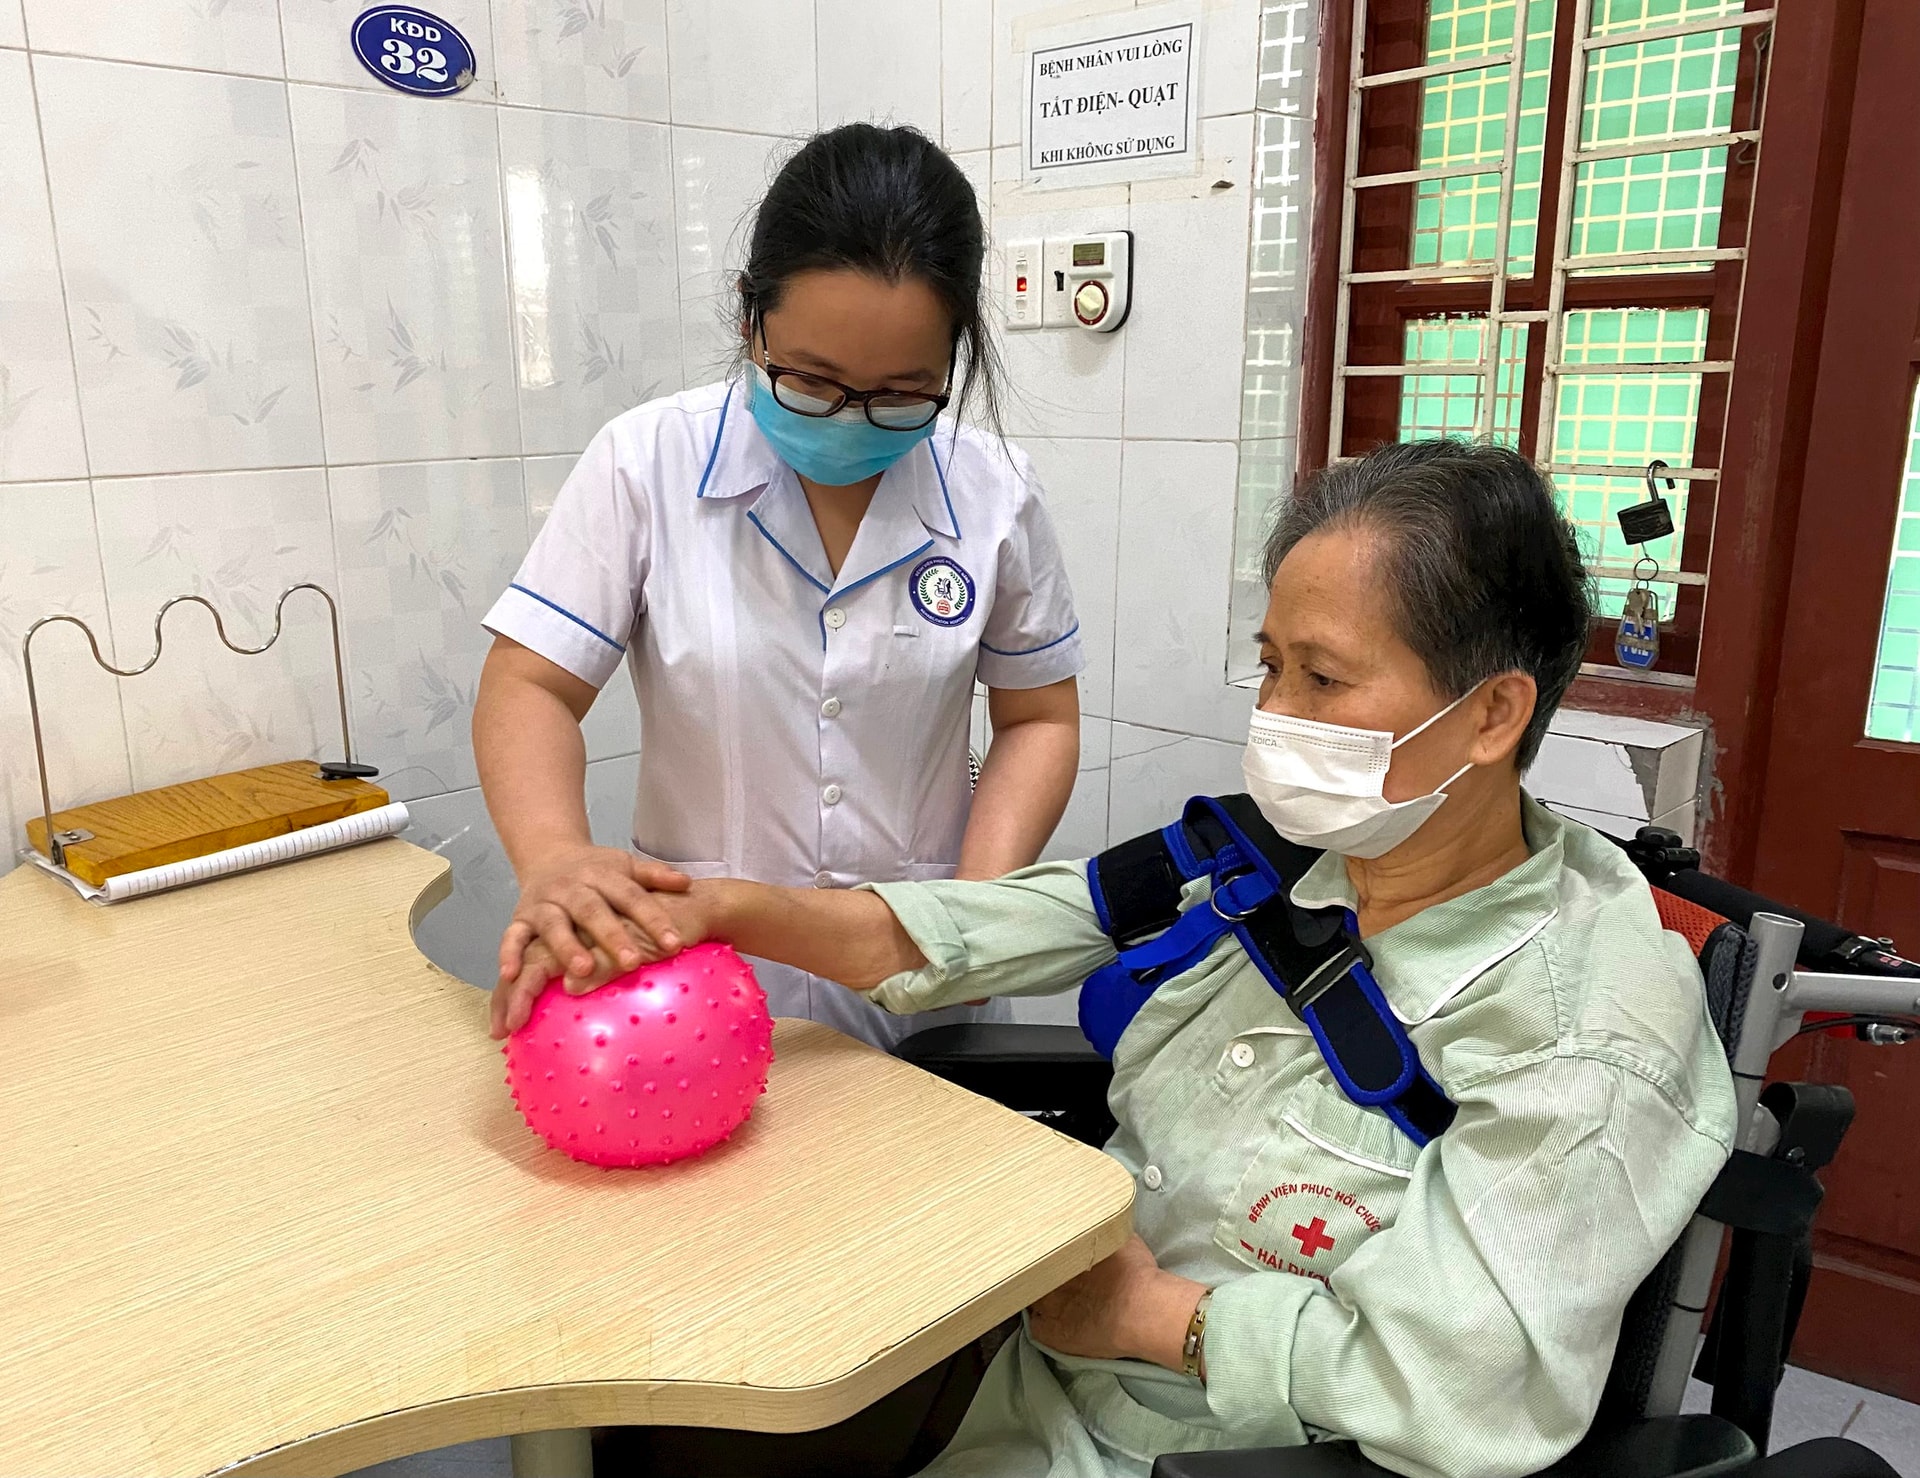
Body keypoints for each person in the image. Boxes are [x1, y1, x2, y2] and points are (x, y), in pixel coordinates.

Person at [513, 441, 1740, 1478]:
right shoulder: (1282, 854)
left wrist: (1154, 1317)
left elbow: (1460, 1382)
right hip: (1040, 1380)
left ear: (1490, 713)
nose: (1275, 712)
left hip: (1208, 1443)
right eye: (1270, 664)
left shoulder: (1582, 1026)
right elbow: (993, 922)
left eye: (1322, 677)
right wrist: (722, 906)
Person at [475, 123, 1084, 1051]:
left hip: (917, 982)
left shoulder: (994, 489)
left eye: (901, 394)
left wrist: (970, 920)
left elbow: (1038, 719)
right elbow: (531, 684)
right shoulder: (648, 462)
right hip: (686, 989)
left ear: (955, 355)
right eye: (811, 380)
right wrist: (556, 857)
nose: (851, 420)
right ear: (748, 318)